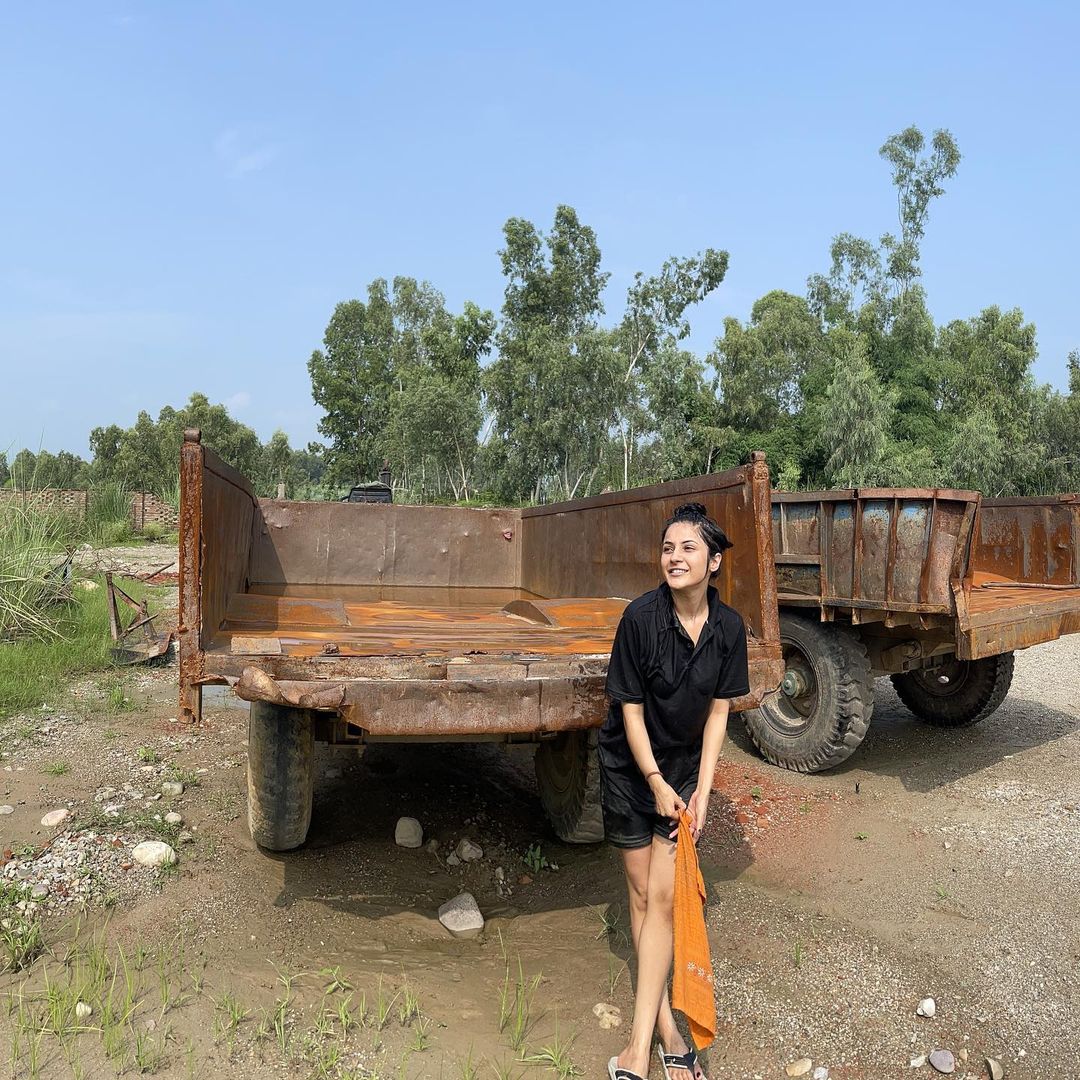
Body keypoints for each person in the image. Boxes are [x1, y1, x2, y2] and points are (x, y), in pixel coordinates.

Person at [601, 502, 750, 1080]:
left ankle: (636, 1055)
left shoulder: (729, 628)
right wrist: (655, 783)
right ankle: (665, 1027)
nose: (675, 557)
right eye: (668, 547)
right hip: (629, 769)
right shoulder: (639, 621)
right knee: (640, 899)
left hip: (684, 775)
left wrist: (702, 790)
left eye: (688, 548)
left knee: (662, 901)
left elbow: (719, 714)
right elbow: (630, 715)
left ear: (713, 562)